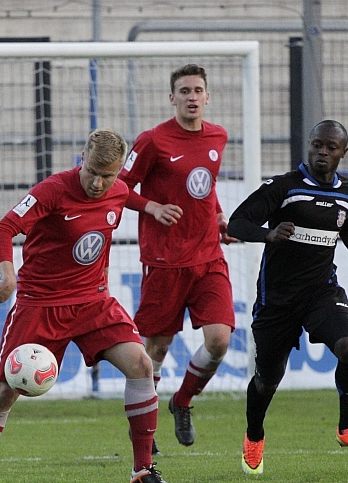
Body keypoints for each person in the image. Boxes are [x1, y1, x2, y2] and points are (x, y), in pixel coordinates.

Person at [0, 128, 176, 483]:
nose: (98, 183)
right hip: (40, 304)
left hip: (93, 301)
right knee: (4, 394)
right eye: (92, 172)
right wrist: (8, 276)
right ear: (82, 158)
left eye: (107, 175)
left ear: (118, 171)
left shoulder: (118, 190)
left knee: (141, 365)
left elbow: (124, 200)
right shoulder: (53, 190)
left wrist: (151, 208)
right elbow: (4, 228)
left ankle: (143, 470)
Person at [227, 120, 348, 474]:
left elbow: (347, 228)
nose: (323, 152)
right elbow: (236, 223)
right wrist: (268, 234)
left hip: (321, 292)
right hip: (277, 300)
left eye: (330, 147)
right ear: (309, 145)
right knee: (267, 380)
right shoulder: (284, 187)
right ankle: (254, 435)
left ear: (343, 152)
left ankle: (347, 427)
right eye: (317, 145)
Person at [118, 63, 237, 451]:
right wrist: (151, 207)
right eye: (184, 91)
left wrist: (219, 217)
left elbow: (207, 188)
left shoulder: (218, 136)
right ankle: (145, 427)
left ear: (207, 96)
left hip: (208, 257)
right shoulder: (153, 141)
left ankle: (182, 400)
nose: (191, 97)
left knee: (219, 340)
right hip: (165, 261)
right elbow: (119, 188)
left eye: (197, 90)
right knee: (156, 349)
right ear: (172, 98)